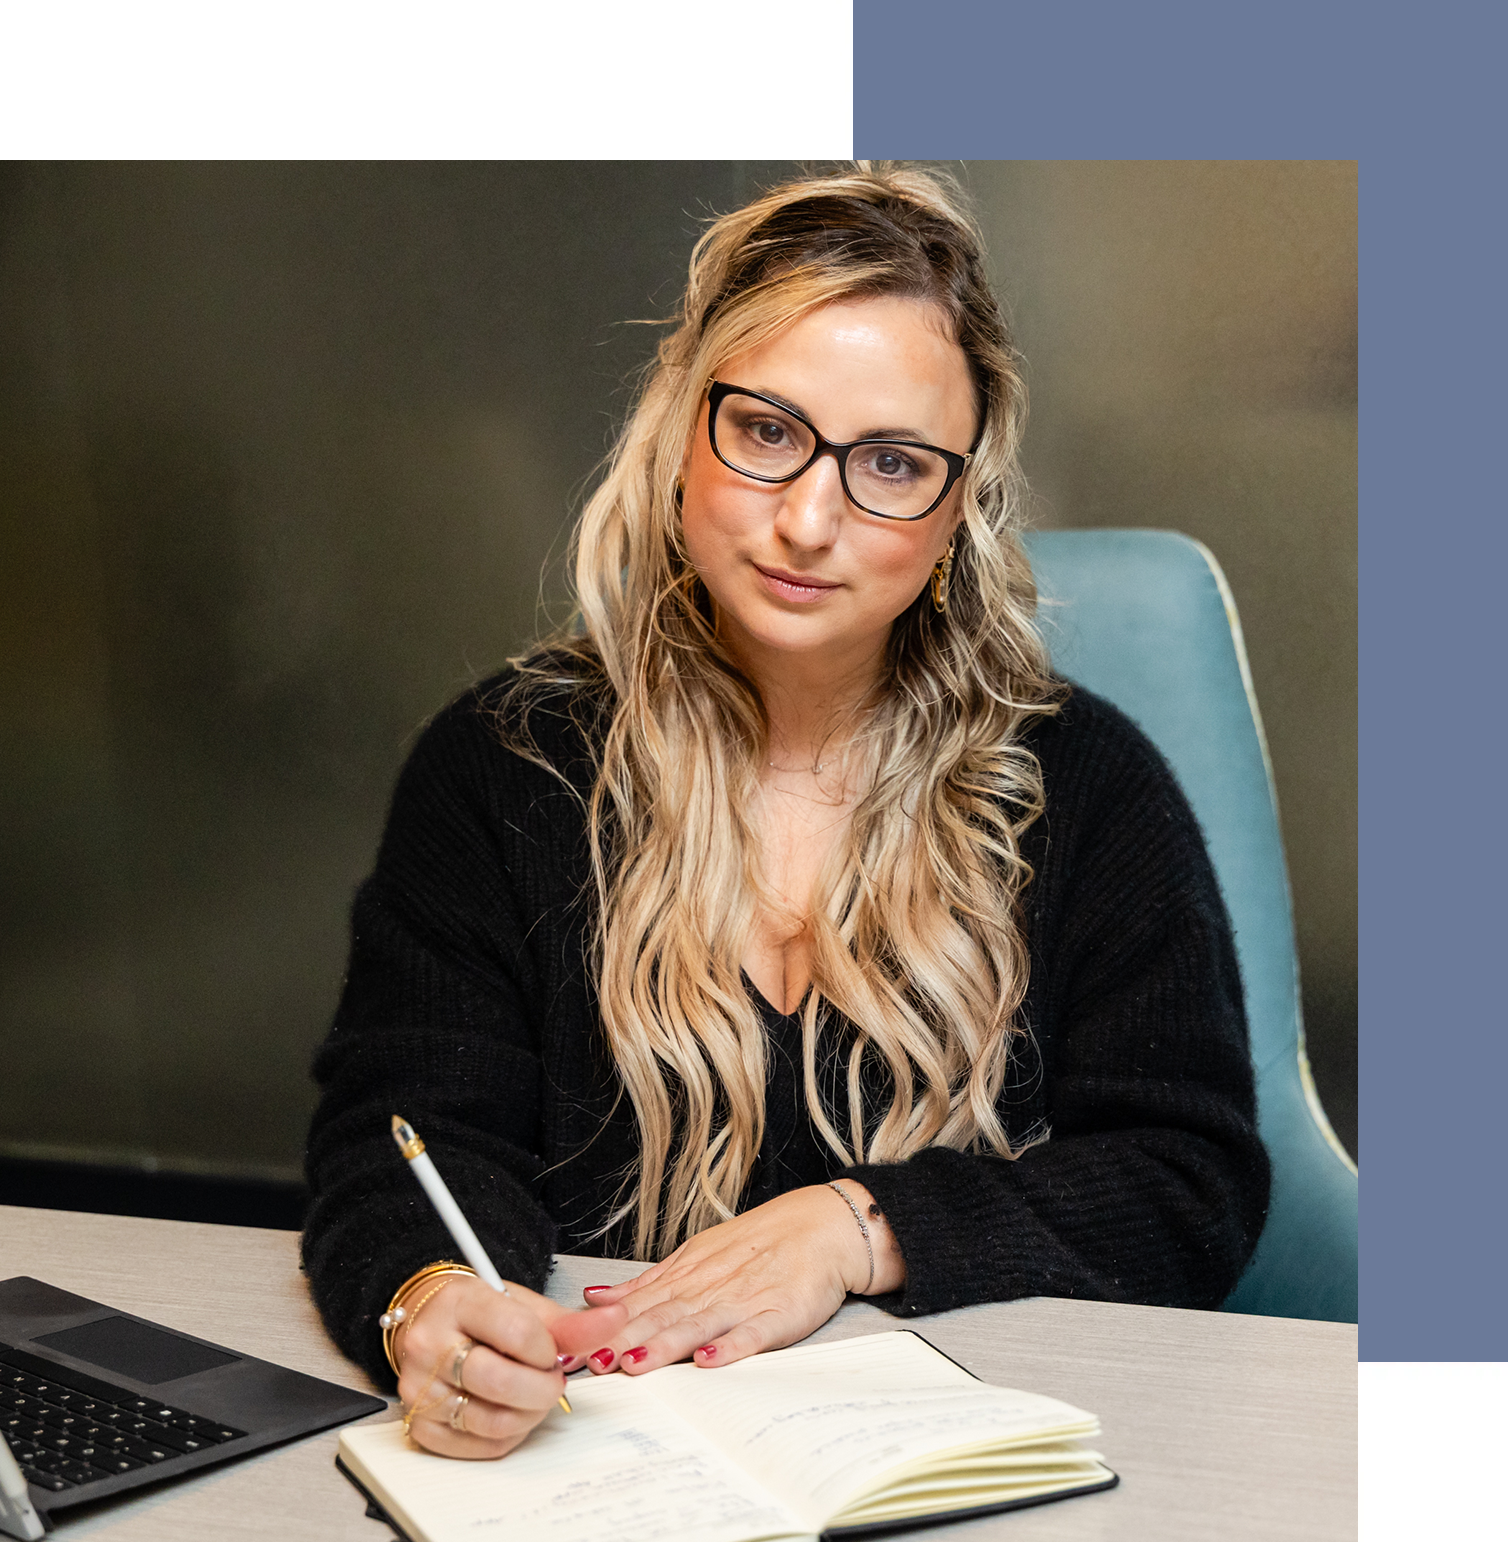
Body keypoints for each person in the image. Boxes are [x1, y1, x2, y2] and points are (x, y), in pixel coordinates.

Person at [302, 163, 1270, 1460]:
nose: (809, 518)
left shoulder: (1087, 787)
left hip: (966, 1471)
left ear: (958, 507)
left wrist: (864, 1224)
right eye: (765, 430)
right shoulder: (501, 771)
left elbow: (1186, 1184)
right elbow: (401, 1134)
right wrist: (432, 1303)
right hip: (601, 1473)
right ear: (679, 424)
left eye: (890, 464)